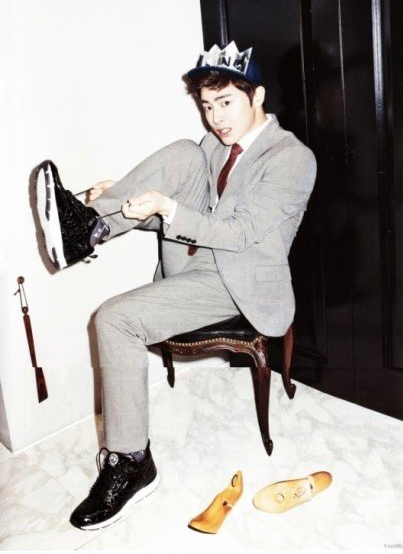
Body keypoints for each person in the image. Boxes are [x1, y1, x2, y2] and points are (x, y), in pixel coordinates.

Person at [34, 41, 316, 531]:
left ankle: (131, 463)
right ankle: (88, 226)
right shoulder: (211, 146)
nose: (216, 118)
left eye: (225, 102)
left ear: (257, 96)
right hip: (193, 267)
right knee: (185, 152)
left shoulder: (293, 158)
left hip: (239, 283)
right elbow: (178, 221)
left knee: (113, 318)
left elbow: (238, 233)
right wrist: (125, 202)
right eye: (207, 106)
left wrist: (164, 206)